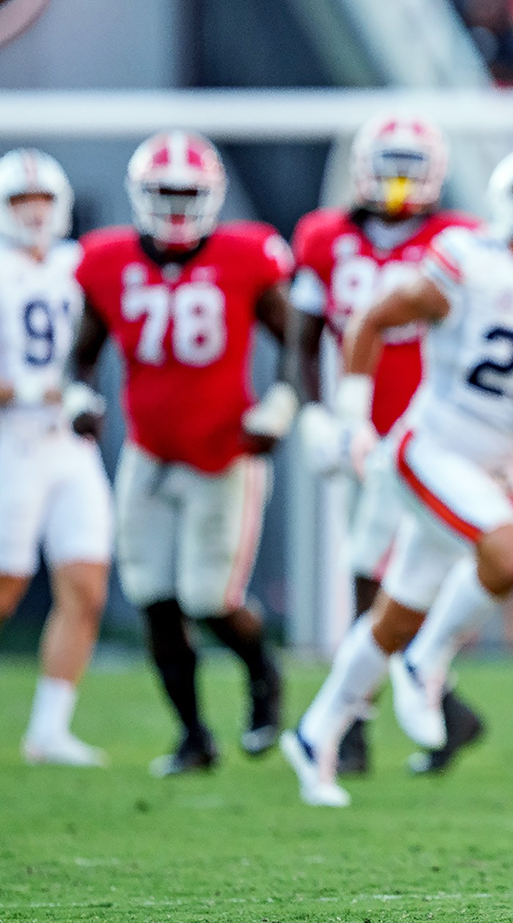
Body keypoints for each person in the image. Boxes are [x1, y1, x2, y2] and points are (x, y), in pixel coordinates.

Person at [282, 142, 513, 807]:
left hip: (493, 467)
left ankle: (317, 729)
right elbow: (371, 318)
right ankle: (428, 660)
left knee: (394, 611)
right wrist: (353, 418)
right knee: (512, 552)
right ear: (505, 203)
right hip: (431, 448)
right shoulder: (469, 264)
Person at [70, 130, 295, 776]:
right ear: (140, 195)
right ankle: (193, 735)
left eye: (186, 194)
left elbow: (298, 339)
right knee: (151, 594)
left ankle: (262, 672)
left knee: (208, 596)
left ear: (213, 197)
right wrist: (75, 397)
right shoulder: (106, 260)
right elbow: (84, 353)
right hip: (149, 448)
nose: (173, 206)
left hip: (224, 452)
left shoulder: (246, 255)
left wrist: (280, 405)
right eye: (163, 194)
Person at [291, 110, 484, 775]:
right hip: (362, 427)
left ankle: (363, 715)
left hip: (435, 428)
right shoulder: (323, 237)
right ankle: (422, 709)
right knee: (372, 570)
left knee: (398, 572)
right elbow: (304, 334)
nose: (399, 183)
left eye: (411, 168)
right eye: (389, 166)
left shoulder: (458, 241)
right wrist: (316, 411)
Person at [0, 149, 112, 767]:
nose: (34, 213)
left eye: (42, 200)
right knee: (6, 590)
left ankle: (48, 730)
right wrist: (38, 391)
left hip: (72, 445)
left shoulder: (79, 264)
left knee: (87, 588)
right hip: (13, 439)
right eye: (21, 201)